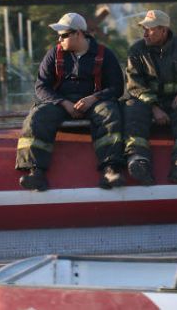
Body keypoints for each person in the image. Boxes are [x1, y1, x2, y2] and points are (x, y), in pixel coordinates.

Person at [15, 12, 126, 191]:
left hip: (94, 103)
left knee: (109, 114)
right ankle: (36, 172)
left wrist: (94, 98)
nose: (59, 39)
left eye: (64, 35)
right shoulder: (54, 54)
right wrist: (63, 102)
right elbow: (41, 87)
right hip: (61, 103)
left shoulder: (105, 55)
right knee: (37, 117)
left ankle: (110, 170)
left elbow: (117, 87)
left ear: (79, 34)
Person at [123, 10, 177, 184]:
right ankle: (138, 160)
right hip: (147, 103)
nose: (145, 33)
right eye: (144, 29)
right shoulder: (136, 50)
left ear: (164, 30)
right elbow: (134, 85)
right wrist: (154, 107)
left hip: (176, 102)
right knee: (132, 107)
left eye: (150, 29)